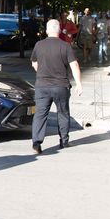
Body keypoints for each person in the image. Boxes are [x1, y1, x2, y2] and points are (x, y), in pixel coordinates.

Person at [30, 19, 83, 154]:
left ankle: (36, 143)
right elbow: (74, 65)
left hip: (42, 85)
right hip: (61, 86)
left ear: (47, 31)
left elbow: (34, 63)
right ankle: (64, 141)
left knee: (40, 115)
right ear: (59, 31)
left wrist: (42, 73)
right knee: (63, 113)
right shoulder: (65, 46)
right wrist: (79, 84)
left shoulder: (38, 45)